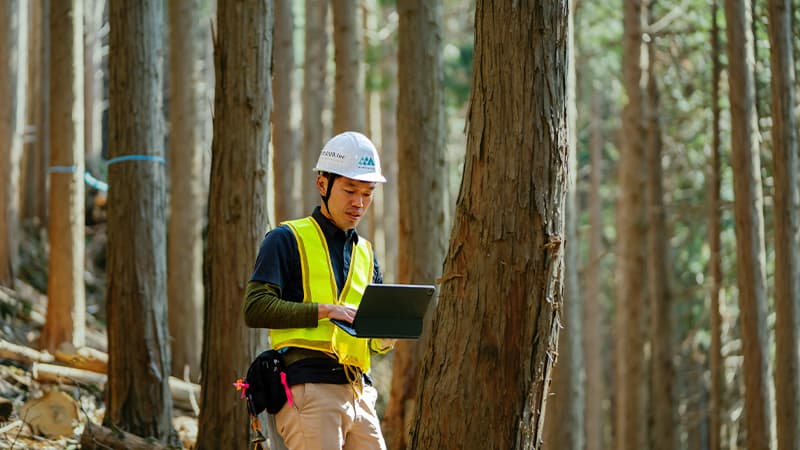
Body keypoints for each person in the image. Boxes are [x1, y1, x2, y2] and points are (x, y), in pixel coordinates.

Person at [243, 131, 394, 450]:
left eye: (368, 193)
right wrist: (325, 310)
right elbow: (255, 307)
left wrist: (386, 337)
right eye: (350, 190)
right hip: (309, 387)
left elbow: (374, 341)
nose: (359, 203)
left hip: (361, 393)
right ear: (322, 185)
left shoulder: (366, 254)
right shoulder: (285, 238)